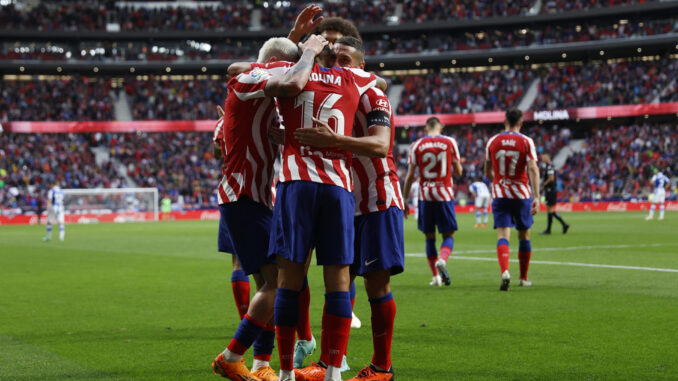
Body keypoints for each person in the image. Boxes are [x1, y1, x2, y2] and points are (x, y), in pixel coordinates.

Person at [211, 34, 328, 381]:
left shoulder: (257, 83)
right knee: (277, 283)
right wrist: (307, 51)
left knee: (268, 282)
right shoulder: (251, 78)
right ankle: (231, 356)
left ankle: (262, 364)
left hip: (254, 197)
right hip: (244, 196)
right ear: (276, 64)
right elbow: (291, 80)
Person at [267, 36, 379, 381]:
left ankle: (285, 372)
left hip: (296, 182)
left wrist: (308, 51)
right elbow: (379, 80)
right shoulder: (357, 78)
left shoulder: (290, 70)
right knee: (339, 281)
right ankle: (333, 373)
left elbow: (266, 71)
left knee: (288, 280)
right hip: (337, 187)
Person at [292, 36, 400, 381]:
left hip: (377, 199)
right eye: (334, 58)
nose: (339, 64)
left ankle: (382, 368)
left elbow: (381, 145)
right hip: (345, 202)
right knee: (339, 284)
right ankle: (327, 365)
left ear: (361, 65)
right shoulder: (329, 96)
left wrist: (335, 141)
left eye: (346, 59)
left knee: (375, 285)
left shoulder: (372, 92)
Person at [402, 117, 463, 287]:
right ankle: (442, 260)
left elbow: (410, 175)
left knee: (429, 238)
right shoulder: (450, 142)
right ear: (441, 127)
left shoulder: (416, 145)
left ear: (426, 128)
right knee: (448, 235)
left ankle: (436, 277)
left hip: (425, 196)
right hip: (444, 195)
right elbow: (458, 172)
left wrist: (405, 199)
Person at [484, 108, 540, 291]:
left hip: (500, 194)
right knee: (524, 234)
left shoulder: (492, 141)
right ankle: (523, 278)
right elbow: (532, 168)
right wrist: (537, 196)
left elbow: (487, 171)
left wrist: (499, 181)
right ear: (520, 122)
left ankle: (505, 271)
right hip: (521, 194)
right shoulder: (526, 141)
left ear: (505, 121)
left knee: (503, 235)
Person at [214, 107, 252, 321]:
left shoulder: (223, 124)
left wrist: (225, 125)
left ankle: (246, 320)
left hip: (232, 193)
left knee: (238, 262)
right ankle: (265, 320)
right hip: (264, 193)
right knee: (269, 267)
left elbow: (217, 153)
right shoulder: (263, 117)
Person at [540, 153, 569, 234]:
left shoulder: (550, 167)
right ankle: (563, 225)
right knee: (550, 210)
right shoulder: (548, 167)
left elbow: (551, 178)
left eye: (543, 158)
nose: (542, 159)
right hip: (550, 190)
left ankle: (550, 229)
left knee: (550, 210)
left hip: (550, 190)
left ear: (547, 158)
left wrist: (544, 184)